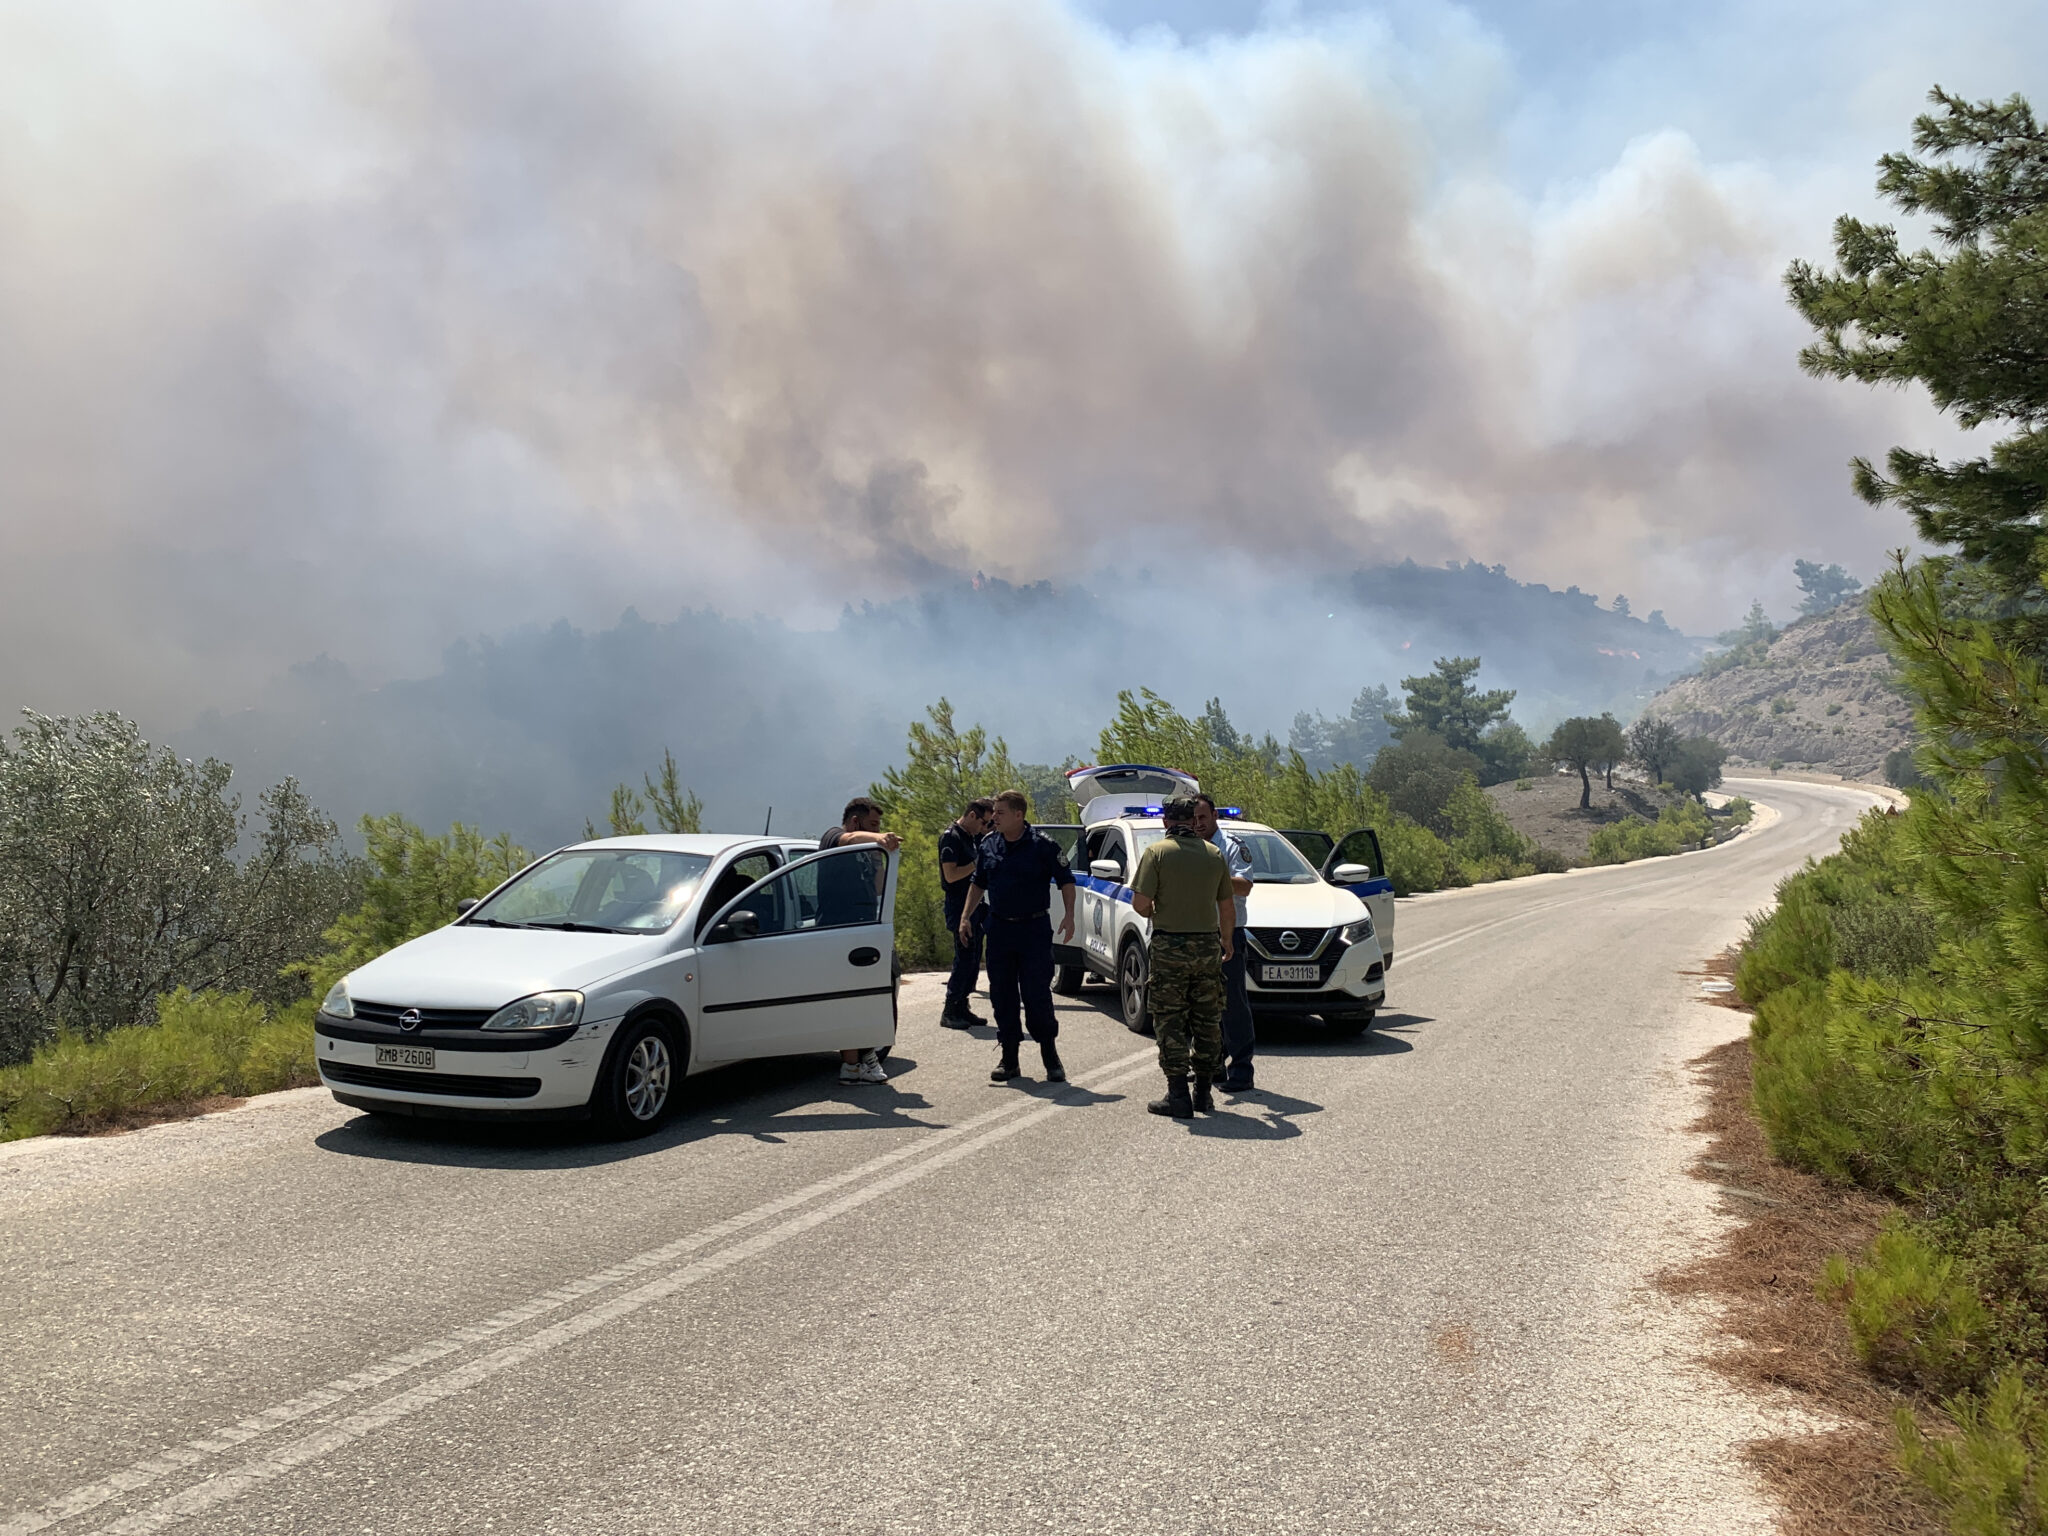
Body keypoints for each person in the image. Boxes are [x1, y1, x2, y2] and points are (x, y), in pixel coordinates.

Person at [957, 789, 1077, 1083]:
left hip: (1033, 929)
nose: (993, 818)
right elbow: (978, 883)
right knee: (1002, 995)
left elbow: (1066, 881)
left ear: (1018, 815)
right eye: (993, 812)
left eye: (1000, 813)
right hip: (999, 929)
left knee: (1037, 995)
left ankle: (1049, 1054)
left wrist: (1070, 915)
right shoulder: (988, 845)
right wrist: (965, 917)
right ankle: (1009, 1058)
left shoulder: (1043, 846)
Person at [1130, 796, 1234, 1118]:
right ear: (1192, 820)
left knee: (1170, 1018)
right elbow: (1226, 906)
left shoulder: (1157, 853)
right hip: (1206, 948)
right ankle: (1203, 1093)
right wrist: (1226, 941)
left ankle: (1178, 1095)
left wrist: (1154, 910)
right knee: (1207, 1018)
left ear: (1166, 822)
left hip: (1170, 948)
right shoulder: (1214, 854)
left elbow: (1140, 903)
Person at [819, 797, 902, 1085]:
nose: (878, 830)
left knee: (867, 996)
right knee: (848, 998)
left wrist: (878, 855)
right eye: (874, 824)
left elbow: (878, 888)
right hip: (839, 932)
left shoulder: (867, 852)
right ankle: (855, 1062)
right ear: (856, 821)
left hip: (866, 930)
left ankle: (860, 1061)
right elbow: (851, 837)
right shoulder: (833, 838)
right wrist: (880, 838)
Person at [1193, 793, 1256, 1092]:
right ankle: (1213, 1066)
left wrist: (1213, 875)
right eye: (1193, 819)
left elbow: (1244, 887)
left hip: (1229, 934)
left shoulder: (1232, 846)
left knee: (1232, 1004)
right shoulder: (1189, 847)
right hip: (1199, 933)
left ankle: (1242, 1070)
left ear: (1215, 815)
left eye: (1203, 818)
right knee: (1205, 1005)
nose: (1198, 824)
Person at [939, 798, 995, 1029]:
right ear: (972, 815)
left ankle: (962, 1005)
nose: (984, 827)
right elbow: (950, 875)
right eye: (983, 822)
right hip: (958, 904)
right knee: (963, 957)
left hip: (974, 904)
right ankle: (950, 1008)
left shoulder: (972, 837)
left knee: (972, 958)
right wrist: (977, 863)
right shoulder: (951, 837)